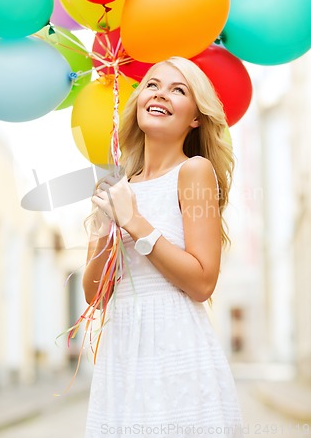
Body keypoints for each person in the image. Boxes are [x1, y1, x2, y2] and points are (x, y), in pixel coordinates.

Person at [82, 56, 244, 437]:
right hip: (123, 354)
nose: (160, 94)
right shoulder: (117, 186)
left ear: (195, 118)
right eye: (153, 84)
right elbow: (94, 296)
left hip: (175, 348)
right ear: (139, 98)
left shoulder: (194, 172)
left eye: (178, 89)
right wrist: (109, 227)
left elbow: (203, 282)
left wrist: (135, 223)